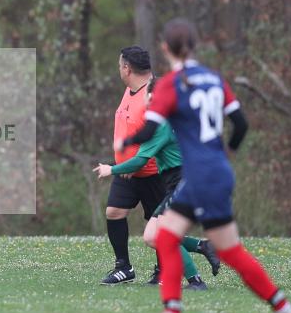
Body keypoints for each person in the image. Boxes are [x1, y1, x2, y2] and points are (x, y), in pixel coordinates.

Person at [117, 18, 291, 313]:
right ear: (195, 46)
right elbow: (241, 124)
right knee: (177, 239)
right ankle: (279, 310)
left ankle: (279, 308)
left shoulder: (172, 84)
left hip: (199, 176)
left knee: (183, 240)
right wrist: (227, 152)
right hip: (216, 173)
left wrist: (125, 142)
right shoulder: (215, 79)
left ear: (165, 48)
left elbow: (150, 129)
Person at [94, 77, 221, 290]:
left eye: (146, 93)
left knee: (164, 235)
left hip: (184, 182)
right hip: (180, 182)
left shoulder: (161, 125)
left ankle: (196, 281)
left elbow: (140, 160)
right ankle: (204, 247)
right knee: (152, 236)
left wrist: (111, 169)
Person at [101, 46, 167, 285]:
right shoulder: (130, 90)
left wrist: (134, 163)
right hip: (126, 171)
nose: (119, 70)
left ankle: (164, 270)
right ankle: (124, 267)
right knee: (114, 212)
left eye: (120, 66)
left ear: (127, 68)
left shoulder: (154, 94)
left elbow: (157, 137)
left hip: (153, 172)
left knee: (158, 225)